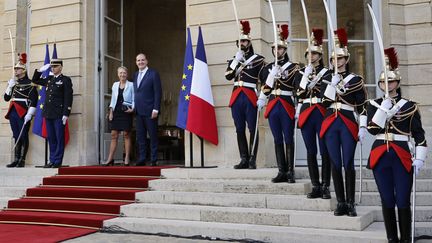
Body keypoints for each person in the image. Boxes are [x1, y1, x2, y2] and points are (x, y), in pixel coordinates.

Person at [366, 47, 427, 243]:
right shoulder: (373, 105)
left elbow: (420, 136)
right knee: (387, 199)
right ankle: (392, 239)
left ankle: (405, 239)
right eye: (383, 81)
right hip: (380, 155)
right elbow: (372, 130)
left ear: (397, 82)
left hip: (401, 155)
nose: (387, 84)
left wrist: (419, 158)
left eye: (390, 81)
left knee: (402, 199)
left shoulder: (409, 106)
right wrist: (383, 109)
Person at [320, 28, 367, 217]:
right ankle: (340, 202)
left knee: (348, 162)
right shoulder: (326, 78)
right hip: (331, 121)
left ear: (346, 60)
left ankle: (350, 202)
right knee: (335, 162)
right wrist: (331, 84)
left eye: (340, 59)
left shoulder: (355, 80)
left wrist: (362, 125)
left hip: (347, 121)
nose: (336, 62)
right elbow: (324, 103)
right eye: (333, 59)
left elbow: (362, 106)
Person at [257, 24, 299, 183]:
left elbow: (296, 88)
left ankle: (290, 171)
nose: (277, 51)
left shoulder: (294, 68)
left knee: (288, 137)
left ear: (285, 50)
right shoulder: (267, 68)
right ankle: (281, 170)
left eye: (280, 49)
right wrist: (262, 96)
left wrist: (299, 107)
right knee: (277, 138)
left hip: (287, 103)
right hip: (273, 103)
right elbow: (265, 88)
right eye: (275, 49)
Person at [294, 29, 332, 197]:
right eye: (309, 53)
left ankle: (325, 185)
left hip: (322, 112)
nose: (311, 56)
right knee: (311, 151)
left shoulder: (329, 74)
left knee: (325, 151)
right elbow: (299, 94)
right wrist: (305, 77)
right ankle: (315, 185)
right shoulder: (301, 73)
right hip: (307, 111)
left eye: (315, 53)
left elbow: (328, 95)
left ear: (320, 55)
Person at [225, 20, 265, 169]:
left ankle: (253, 159)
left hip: (250, 95)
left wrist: (262, 97)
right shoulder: (234, 59)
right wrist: (236, 60)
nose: (242, 43)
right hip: (236, 96)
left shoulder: (259, 60)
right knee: (239, 128)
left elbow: (265, 80)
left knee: (253, 128)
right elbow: (228, 76)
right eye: (240, 41)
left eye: (245, 41)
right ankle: (244, 158)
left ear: (249, 42)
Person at [32, 58, 73, 168]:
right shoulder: (49, 79)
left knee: (59, 138)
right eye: (52, 67)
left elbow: (68, 97)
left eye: (55, 66)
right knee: (51, 138)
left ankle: (57, 161)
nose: (53, 68)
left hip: (59, 113)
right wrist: (40, 70)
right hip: (48, 113)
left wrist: (66, 113)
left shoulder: (65, 80)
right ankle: (52, 160)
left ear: (60, 67)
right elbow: (35, 80)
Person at [4, 53, 38, 167]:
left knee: (23, 135)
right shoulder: (14, 83)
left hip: (23, 112)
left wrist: (30, 114)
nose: (16, 71)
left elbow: (34, 100)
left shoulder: (30, 83)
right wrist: (9, 86)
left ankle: (22, 160)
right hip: (13, 111)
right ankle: (16, 158)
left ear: (23, 70)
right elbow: (6, 98)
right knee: (16, 134)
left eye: (18, 69)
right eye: (15, 69)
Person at [133, 53, 162, 166]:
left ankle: (154, 159)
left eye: (142, 60)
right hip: (138, 111)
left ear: (147, 61)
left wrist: (156, 109)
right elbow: (136, 93)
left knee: (153, 135)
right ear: (136, 62)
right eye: (138, 60)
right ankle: (142, 158)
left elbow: (158, 92)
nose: (140, 62)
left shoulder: (153, 74)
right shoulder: (135, 75)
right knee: (140, 136)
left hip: (151, 111)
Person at [104, 66, 134, 166]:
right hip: (116, 111)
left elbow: (134, 99)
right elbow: (113, 99)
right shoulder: (115, 85)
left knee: (126, 134)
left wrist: (132, 109)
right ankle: (110, 158)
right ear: (118, 74)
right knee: (113, 135)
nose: (122, 75)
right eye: (120, 73)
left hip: (126, 111)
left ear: (127, 74)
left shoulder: (131, 85)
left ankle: (126, 158)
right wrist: (111, 111)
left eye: (124, 73)